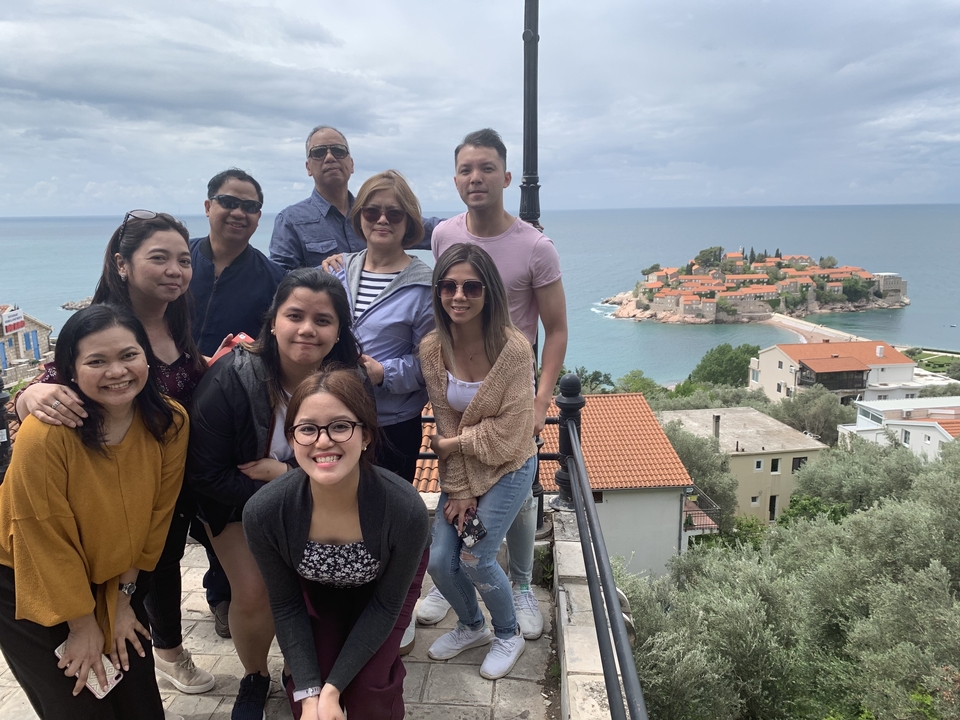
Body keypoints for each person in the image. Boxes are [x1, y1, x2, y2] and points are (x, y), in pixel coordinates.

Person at [13, 211, 216, 695]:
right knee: (155, 567)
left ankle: (153, 629)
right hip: (119, 483)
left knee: (164, 560)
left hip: (175, 466)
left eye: (184, 261)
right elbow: (56, 387)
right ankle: (166, 650)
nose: (174, 270)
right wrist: (27, 397)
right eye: (159, 258)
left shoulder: (177, 322)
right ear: (122, 264)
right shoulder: (107, 325)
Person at [186, 268, 364, 720]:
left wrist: (283, 474)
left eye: (323, 320)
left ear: (339, 330)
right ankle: (254, 676)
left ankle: (314, 668)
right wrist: (283, 488)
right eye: (295, 315)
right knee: (253, 592)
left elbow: (361, 455)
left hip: (313, 498)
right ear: (273, 321)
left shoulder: (348, 380)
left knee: (333, 581)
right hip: (234, 505)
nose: (308, 329)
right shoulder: (231, 379)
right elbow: (206, 475)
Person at [0, 304, 188, 719]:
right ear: (70, 369)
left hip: (114, 576)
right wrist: (83, 625)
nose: (117, 371)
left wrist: (122, 600)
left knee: (138, 700)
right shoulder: (46, 434)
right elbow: (41, 533)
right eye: (96, 361)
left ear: (147, 356)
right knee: (80, 703)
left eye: (128, 355)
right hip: (28, 577)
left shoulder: (169, 422)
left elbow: (159, 514)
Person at [418, 128, 567, 641]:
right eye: (466, 169)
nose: (476, 178)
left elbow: (557, 329)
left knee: (518, 493)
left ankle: (521, 585)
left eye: (486, 169)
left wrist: (541, 399)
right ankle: (451, 579)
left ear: (505, 177)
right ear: (456, 178)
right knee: (466, 498)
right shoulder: (443, 235)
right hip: (463, 382)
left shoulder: (534, 246)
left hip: (510, 389)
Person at [244, 369, 429, 720]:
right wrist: (313, 694)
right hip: (318, 586)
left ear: (365, 437)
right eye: (308, 429)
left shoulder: (403, 510)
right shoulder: (266, 513)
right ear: (293, 439)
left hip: (384, 589)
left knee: (368, 691)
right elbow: (286, 606)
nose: (323, 441)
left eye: (340, 426)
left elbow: (386, 606)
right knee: (308, 700)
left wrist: (333, 689)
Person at [420, 243, 539, 680]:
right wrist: (460, 488)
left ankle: (508, 633)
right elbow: (445, 422)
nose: (459, 295)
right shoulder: (433, 349)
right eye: (448, 285)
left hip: (510, 468)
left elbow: (512, 432)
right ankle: (473, 626)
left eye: (471, 286)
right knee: (439, 561)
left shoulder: (514, 349)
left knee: (475, 557)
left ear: (489, 292)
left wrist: (454, 446)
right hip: (465, 473)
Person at [333, 170, 434, 483]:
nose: (382, 220)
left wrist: (383, 374)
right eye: (372, 211)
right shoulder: (337, 271)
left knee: (385, 520)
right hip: (336, 416)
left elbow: (430, 364)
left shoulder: (424, 286)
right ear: (360, 215)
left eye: (394, 213)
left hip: (391, 425)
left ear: (408, 222)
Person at [269, 125, 441, 270]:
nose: (329, 157)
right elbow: (279, 279)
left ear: (351, 164)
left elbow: (436, 231)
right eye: (319, 152)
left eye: (338, 151)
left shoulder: (373, 212)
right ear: (308, 167)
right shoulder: (291, 220)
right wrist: (326, 271)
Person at [190, 168, 287, 356]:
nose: (239, 213)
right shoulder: (177, 259)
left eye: (250, 207)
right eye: (228, 202)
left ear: (258, 217)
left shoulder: (275, 279)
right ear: (208, 207)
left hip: (230, 382)